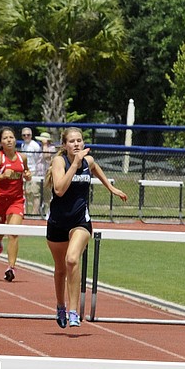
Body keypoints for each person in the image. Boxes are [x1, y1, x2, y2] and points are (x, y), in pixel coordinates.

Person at [46, 127, 127, 328]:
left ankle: (74, 311)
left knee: (72, 260)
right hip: (57, 222)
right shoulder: (60, 162)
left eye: (79, 141)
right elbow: (59, 190)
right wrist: (74, 165)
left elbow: (95, 167)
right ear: (64, 145)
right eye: (72, 141)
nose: (76, 144)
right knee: (60, 269)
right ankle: (60, 306)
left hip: (80, 221)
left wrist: (110, 187)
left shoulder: (88, 161)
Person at [0, 126, 30, 282]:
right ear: (1, 142)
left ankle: (11, 268)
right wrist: (2, 176)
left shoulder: (22, 158)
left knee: (13, 232)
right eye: (5, 138)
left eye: (11, 137)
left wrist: (28, 175)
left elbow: (26, 172)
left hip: (16, 200)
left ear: (15, 139)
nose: (9, 140)